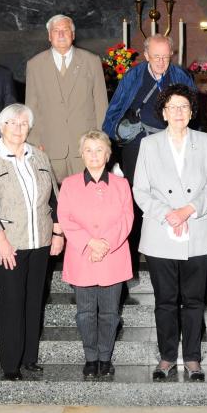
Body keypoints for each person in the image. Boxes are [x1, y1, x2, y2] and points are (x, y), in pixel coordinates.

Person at [132, 84, 207, 382]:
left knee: (195, 300)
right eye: (173, 107)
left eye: (184, 106)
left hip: (197, 229)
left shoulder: (206, 142)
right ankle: (167, 356)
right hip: (161, 232)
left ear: (192, 112)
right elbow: (140, 190)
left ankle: (193, 358)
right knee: (165, 300)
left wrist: (188, 210)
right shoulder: (149, 144)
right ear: (164, 112)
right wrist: (167, 214)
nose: (179, 112)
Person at [0, 103, 63, 380]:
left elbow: (54, 197)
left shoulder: (39, 156)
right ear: (2, 127)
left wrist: (57, 233)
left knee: (35, 300)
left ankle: (29, 358)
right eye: (13, 123)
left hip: (41, 241)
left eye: (24, 124)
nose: (19, 129)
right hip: (8, 242)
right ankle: (11, 363)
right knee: (12, 301)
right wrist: (0, 242)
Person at [56, 130, 133, 380]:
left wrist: (105, 244)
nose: (93, 155)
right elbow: (64, 218)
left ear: (108, 154)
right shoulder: (69, 184)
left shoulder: (121, 185)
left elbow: (127, 219)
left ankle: (105, 357)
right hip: (82, 257)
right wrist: (90, 243)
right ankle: (91, 358)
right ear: (81, 154)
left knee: (110, 313)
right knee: (85, 313)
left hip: (113, 257)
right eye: (88, 150)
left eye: (99, 149)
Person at [26, 14, 108, 181]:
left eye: (66, 30)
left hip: (86, 147)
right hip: (50, 146)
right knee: (54, 201)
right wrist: (34, 142)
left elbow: (101, 103)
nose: (61, 34)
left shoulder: (91, 61)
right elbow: (31, 106)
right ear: (49, 36)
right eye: (56, 31)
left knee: (87, 198)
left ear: (73, 34)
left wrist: (101, 141)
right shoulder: (35, 64)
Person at [102, 34, 194, 182]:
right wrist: (109, 139)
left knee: (168, 189)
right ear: (146, 55)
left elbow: (193, 111)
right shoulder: (133, 75)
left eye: (165, 56)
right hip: (137, 144)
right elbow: (115, 107)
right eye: (156, 56)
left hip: (170, 145)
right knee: (136, 190)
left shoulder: (181, 76)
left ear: (171, 54)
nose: (161, 61)